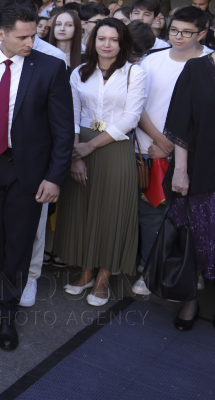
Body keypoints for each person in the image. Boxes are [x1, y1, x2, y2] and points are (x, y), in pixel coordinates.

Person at [0, 4, 73, 351]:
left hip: (29, 171)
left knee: (19, 243)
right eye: (22, 36)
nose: (30, 41)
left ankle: (7, 313)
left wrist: (54, 177)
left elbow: (63, 130)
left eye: (33, 34)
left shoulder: (51, 67)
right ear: (0, 34)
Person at [55, 18, 146, 307]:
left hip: (114, 146)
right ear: (92, 42)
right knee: (83, 210)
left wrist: (89, 147)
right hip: (79, 144)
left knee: (112, 212)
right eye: (101, 38)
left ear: (123, 43)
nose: (107, 44)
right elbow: (71, 115)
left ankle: (104, 277)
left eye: (114, 39)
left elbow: (131, 118)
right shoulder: (79, 72)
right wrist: (75, 156)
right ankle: (85, 273)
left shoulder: (135, 73)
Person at [167, 7, 215, 346]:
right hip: (199, 172)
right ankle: (190, 302)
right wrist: (180, 170)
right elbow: (181, 122)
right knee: (194, 239)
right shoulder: (196, 68)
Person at [130, 7, 208, 297]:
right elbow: (137, 105)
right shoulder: (152, 61)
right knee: (152, 212)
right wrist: (161, 141)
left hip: (196, 152)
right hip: (150, 148)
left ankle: (192, 270)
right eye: (174, 30)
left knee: (194, 214)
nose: (178, 36)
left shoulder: (211, 61)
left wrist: (176, 146)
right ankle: (151, 268)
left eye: (187, 32)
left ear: (202, 33)